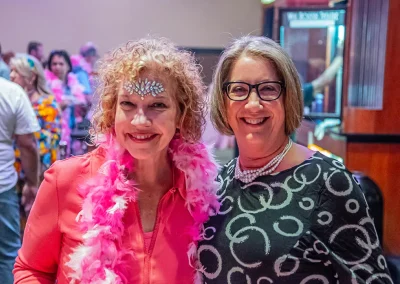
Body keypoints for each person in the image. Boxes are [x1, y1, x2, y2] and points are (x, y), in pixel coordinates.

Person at [13, 37, 220, 284]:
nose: (140, 121)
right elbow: (30, 270)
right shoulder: (65, 181)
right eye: (128, 104)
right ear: (112, 111)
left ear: (181, 115)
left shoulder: (202, 192)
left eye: (158, 105)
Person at [198, 36, 393, 283]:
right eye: (239, 89)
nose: (253, 103)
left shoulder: (328, 181)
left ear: (287, 97)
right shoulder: (216, 185)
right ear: (223, 102)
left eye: (268, 89)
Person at [0, 78, 40, 284]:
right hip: (2, 185)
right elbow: (27, 145)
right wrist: (32, 183)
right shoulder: (10, 92)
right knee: (6, 255)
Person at [10, 54, 61, 182]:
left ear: (32, 77)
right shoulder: (11, 102)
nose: (11, 75)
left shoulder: (47, 104)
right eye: (11, 70)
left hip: (39, 172)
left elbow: (52, 140)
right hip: (10, 172)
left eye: (17, 71)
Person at [45, 50, 87, 156]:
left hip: (74, 129)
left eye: (61, 64)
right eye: (54, 64)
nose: (57, 67)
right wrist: (59, 107)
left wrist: (83, 106)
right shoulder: (46, 85)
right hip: (54, 130)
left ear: (68, 66)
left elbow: (81, 102)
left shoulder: (73, 82)